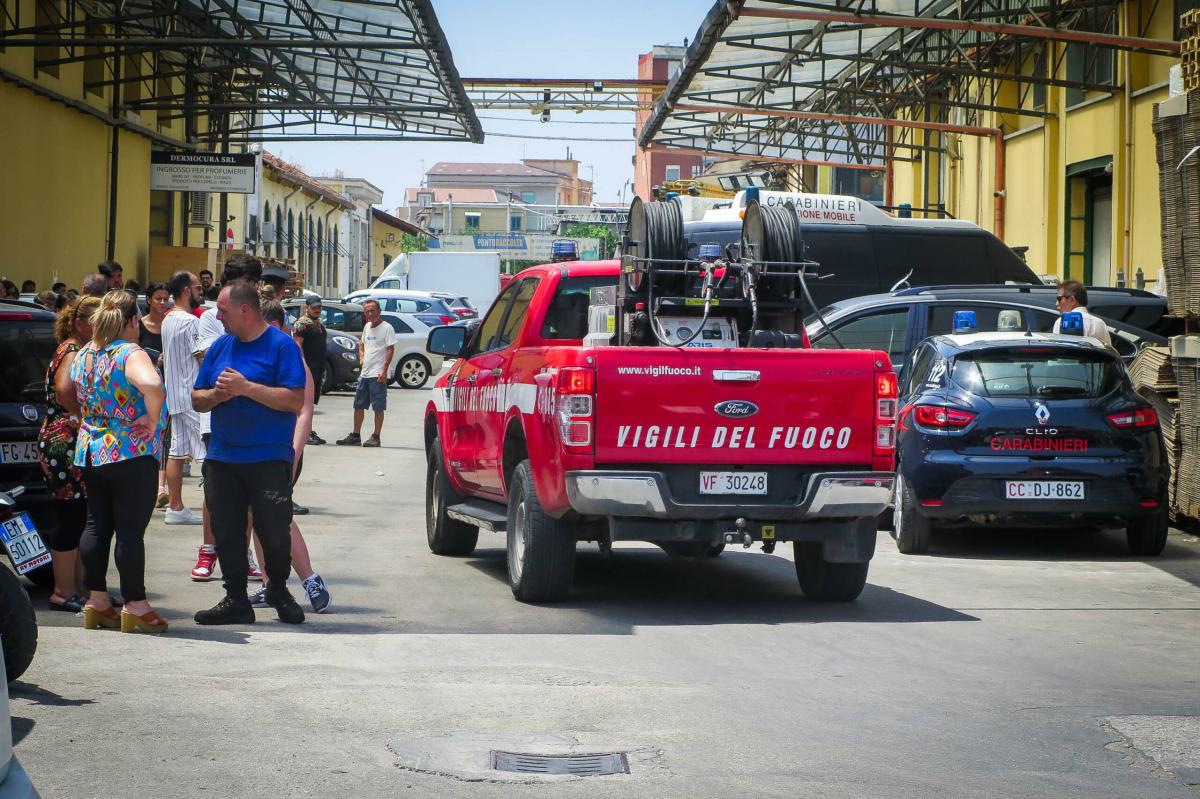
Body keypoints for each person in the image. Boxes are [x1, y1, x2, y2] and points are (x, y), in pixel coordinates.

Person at [192, 281, 306, 626]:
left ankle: (278, 591)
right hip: (224, 457)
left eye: (223, 311)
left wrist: (246, 388)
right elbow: (197, 397)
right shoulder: (221, 346)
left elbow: (294, 400)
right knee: (227, 530)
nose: (217, 316)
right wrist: (217, 395)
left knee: (274, 530)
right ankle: (236, 598)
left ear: (245, 310)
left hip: (268, 458)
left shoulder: (281, 347)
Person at [69, 290, 167, 634]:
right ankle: (136, 605)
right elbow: (152, 384)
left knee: (96, 525)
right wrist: (153, 419)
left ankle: (96, 601)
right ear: (132, 321)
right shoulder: (129, 352)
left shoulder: (84, 353)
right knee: (129, 531)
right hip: (130, 450)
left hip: (92, 450)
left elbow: (68, 391)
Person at [249, 301, 332, 613]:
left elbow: (304, 413)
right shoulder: (257, 355)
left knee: (277, 517)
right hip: (255, 452)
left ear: (279, 327)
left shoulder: (293, 359)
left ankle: (311, 580)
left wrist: (293, 456)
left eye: (268, 329)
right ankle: (270, 584)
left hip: (282, 453)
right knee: (255, 517)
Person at [190, 256, 263, 582]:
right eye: (251, 283)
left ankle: (242, 553)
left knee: (248, 496)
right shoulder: (210, 318)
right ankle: (209, 550)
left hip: (257, 418)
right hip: (217, 419)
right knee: (215, 492)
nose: (256, 290)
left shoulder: (265, 316)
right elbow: (214, 365)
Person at [38, 296, 100, 614]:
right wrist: (82, 414)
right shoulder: (73, 350)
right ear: (79, 323)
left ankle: (76, 589)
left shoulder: (75, 347)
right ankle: (62, 592)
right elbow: (64, 390)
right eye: (96, 320)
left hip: (66, 438)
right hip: (64, 439)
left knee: (78, 515)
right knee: (70, 515)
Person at [160, 271, 205, 526]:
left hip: (175, 395)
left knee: (177, 452)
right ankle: (218, 508)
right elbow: (202, 356)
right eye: (197, 287)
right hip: (192, 395)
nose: (200, 292)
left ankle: (175, 508)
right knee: (212, 453)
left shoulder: (167, 319)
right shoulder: (189, 322)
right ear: (187, 290)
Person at [336, 299, 394, 448]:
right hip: (365, 374)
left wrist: (384, 370)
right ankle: (355, 435)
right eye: (367, 311)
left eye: (372, 310)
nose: (369, 314)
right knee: (358, 405)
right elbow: (361, 344)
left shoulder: (387, 328)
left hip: (377, 374)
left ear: (379, 311)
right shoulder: (367, 326)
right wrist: (361, 356)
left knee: (378, 407)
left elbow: (390, 349)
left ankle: (376, 436)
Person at [293, 296, 327, 446]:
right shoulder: (302, 324)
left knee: (311, 403)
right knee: (305, 404)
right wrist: (302, 366)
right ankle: (304, 433)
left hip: (318, 370)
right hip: (308, 370)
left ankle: (309, 430)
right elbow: (297, 345)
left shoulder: (318, 324)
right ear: (307, 307)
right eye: (314, 307)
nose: (317, 309)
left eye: (319, 307)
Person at [1052, 280, 1112, 346]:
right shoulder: (1099, 323)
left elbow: (1058, 351)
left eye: (1059, 299)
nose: (1057, 303)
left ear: (1072, 300)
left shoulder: (1061, 322)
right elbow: (1107, 353)